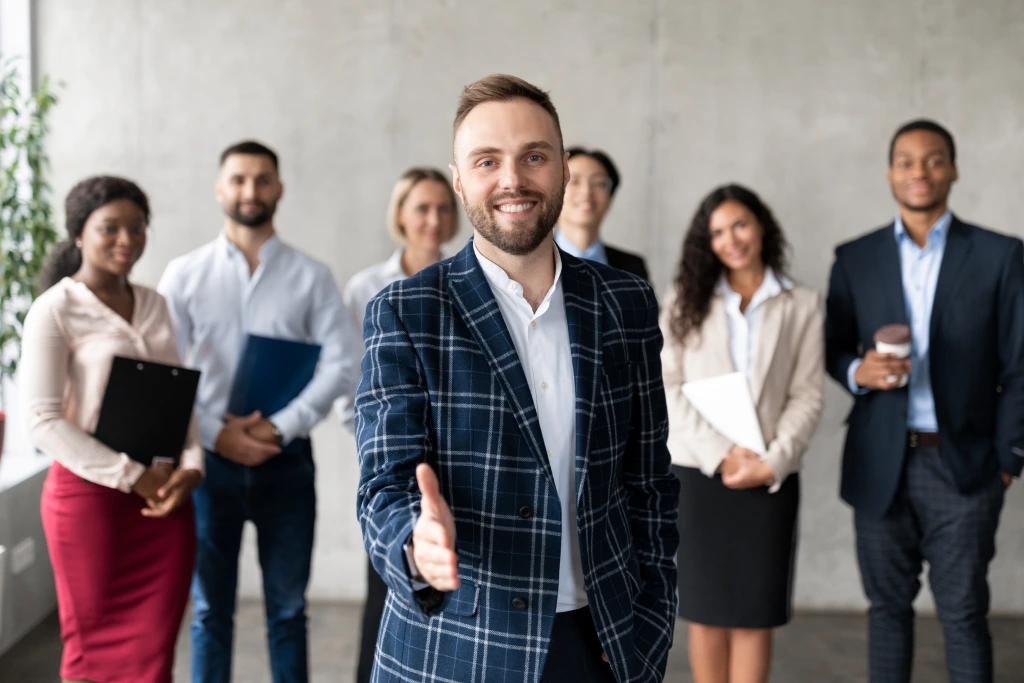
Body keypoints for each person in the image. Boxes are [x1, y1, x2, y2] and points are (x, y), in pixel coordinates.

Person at [355, 74, 680, 683]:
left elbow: (650, 484)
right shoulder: (404, 311)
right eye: (487, 161)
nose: (513, 180)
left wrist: (651, 625)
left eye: (534, 156)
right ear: (458, 179)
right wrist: (415, 546)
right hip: (455, 645)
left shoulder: (625, 303)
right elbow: (384, 484)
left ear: (561, 167)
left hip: (602, 645)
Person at [825, 119, 1024, 683]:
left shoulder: (999, 256)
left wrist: (1008, 462)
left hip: (964, 466)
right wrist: (856, 370)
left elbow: (1020, 365)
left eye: (933, 159)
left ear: (953, 170)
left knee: (963, 613)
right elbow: (833, 345)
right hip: (879, 460)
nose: (920, 171)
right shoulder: (856, 257)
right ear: (890, 173)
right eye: (907, 161)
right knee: (887, 612)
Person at [157, 141, 359, 683]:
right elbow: (167, 365)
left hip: (286, 463)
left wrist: (278, 426)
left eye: (262, 179)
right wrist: (218, 433)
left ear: (279, 189)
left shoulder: (311, 276)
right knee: (208, 612)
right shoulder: (184, 274)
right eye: (239, 179)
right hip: (208, 466)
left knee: (289, 612)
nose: (251, 190)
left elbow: (342, 363)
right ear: (221, 188)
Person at [21, 176, 203, 683]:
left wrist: (192, 467)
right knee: (92, 654)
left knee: (154, 653)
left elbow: (178, 397)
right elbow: (42, 420)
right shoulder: (54, 309)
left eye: (138, 227)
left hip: (164, 503)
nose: (128, 239)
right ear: (79, 233)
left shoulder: (155, 303)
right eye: (111, 228)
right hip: (90, 506)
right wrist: (129, 475)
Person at [660, 184, 824, 683]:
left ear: (761, 226)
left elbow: (807, 394)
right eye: (716, 232)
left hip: (769, 475)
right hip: (700, 474)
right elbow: (668, 386)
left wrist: (772, 461)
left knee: (756, 613)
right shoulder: (685, 300)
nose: (730, 239)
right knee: (705, 613)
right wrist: (722, 454)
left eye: (739, 225)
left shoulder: (803, 304)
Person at [338, 167, 460, 683]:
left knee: (447, 589)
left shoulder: (468, 282)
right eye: (421, 208)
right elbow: (352, 386)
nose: (433, 220)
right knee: (386, 584)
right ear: (401, 216)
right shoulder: (367, 287)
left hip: (455, 462)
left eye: (442, 209)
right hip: (393, 462)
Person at [553, 147, 649, 280]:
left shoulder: (633, 266)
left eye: (598, 184)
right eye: (574, 182)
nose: (586, 192)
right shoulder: (531, 262)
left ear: (610, 197)